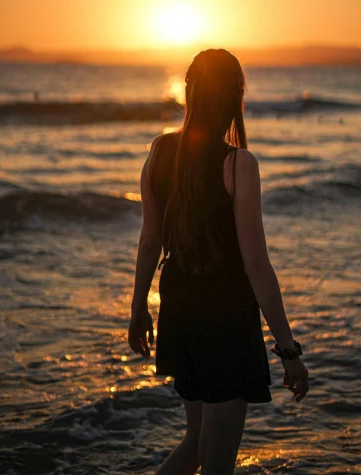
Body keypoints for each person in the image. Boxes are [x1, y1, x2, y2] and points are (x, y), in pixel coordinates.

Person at [128, 49, 309, 474]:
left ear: (190, 92)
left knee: (196, 445)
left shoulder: (159, 152)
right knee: (216, 464)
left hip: (180, 311)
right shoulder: (238, 163)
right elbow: (257, 266)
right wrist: (289, 352)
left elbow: (149, 240)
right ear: (234, 97)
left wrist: (139, 310)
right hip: (225, 320)